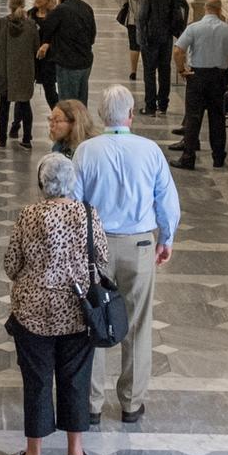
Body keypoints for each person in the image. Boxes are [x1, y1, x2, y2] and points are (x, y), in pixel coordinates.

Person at [74, 85, 180, 425]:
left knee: (93, 321)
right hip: (139, 246)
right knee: (138, 323)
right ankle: (131, 403)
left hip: (97, 248)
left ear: (102, 116)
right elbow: (167, 201)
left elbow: (74, 203)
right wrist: (167, 237)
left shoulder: (86, 151)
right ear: (131, 114)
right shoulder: (150, 151)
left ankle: (91, 404)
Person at [4, 153, 108, 455]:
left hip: (32, 313)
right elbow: (103, 260)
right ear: (71, 182)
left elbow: (10, 264)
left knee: (36, 381)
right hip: (78, 312)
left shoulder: (28, 215)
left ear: (41, 183)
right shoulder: (88, 214)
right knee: (76, 379)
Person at [171, 0, 228, 169]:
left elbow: (178, 51)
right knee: (217, 119)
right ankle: (218, 157)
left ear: (205, 9)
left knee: (193, 118)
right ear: (220, 11)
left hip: (197, 76)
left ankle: (188, 157)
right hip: (218, 77)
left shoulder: (194, 28)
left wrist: (182, 70)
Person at [135, 0, 186, 117]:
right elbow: (184, 6)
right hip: (166, 36)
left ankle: (150, 106)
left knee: (149, 72)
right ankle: (163, 105)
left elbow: (142, 16)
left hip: (150, 36)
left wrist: (140, 36)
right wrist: (179, 28)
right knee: (165, 70)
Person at [0, 0, 39, 149]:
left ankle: (2, 139)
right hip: (25, 71)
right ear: (24, 5)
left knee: (3, 106)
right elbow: (36, 48)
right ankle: (26, 139)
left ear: (9, 6)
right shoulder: (31, 25)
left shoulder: (1, 23)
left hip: (5, 70)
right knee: (25, 104)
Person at [37, 0, 96, 104]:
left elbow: (46, 29)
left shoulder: (60, 11)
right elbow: (92, 37)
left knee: (68, 104)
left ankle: (71, 124)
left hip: (68, 64)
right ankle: (80, 123)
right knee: (81, 102)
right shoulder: (87, 8)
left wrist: (46, 44)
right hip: (85, 63)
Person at [120, 0, 153, 82]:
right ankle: (148, 70)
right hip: (148, 20)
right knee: (147, 46)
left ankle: (133, 71)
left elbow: (125, 0)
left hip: (132, 19)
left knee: (134, 46)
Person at [29, 0, 59, 109]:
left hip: (48, 60)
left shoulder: (54, 15)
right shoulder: (30, 14)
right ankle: (16, 124)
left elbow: (58, 37)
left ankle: (60, 116)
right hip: (31, 59)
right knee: (23, 96)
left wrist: (48, 45)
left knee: (50, 92)